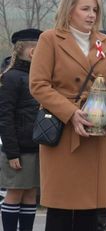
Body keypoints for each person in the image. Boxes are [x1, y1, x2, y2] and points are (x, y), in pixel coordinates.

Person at [29, 0, 106, 231]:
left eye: (95, 9)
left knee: (92, 213)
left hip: (99, 135)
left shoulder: (105, 41)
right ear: (70, 10)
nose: (92, 14)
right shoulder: (50, 39)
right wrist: (71, 113)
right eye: (85, 9)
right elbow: (38, 85)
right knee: (61, 211)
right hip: (64, 135)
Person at [0, 28, 42, 231]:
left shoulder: (36, 77)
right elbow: (4, 117)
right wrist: (12, 151)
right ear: (32, 52)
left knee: (30, 193)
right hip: (18, 149)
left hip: (35, 146)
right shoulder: (11, 77)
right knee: (15, 192)